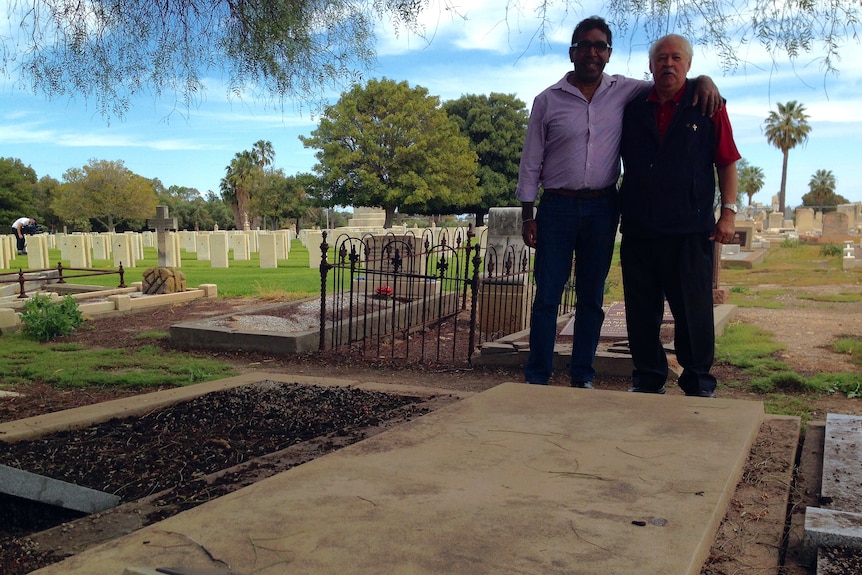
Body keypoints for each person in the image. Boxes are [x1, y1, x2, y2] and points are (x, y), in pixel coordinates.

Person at [517, 16, 722, 388]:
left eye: (600, 46)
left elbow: (671, 81)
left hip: (602, 207)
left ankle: (582, 376)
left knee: (592, 297)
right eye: (584, 45)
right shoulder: (547, 101)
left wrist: (703, 80)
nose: (592, 52)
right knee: (548, 295)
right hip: (557, 208)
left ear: (609, 54)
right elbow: (531, 160)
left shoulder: (625, 90)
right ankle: (538, 376)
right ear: (572, 51)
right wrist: (528, 213)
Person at [618, 34, 741, 397]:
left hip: (690, 228)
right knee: (641, 312)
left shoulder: (707, 105)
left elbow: (727, 160)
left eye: (676, 58)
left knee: (694, 311)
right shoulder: (634, 105)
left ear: (688, 65)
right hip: (640, 228)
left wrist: (728, 214)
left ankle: (699, 381)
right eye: (661, 59)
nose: (668, 64)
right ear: (651, 65)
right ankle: (648, 377)